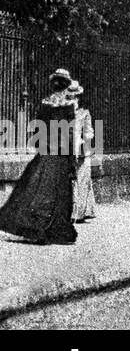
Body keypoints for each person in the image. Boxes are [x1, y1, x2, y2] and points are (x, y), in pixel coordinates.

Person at [0, 70, 78, 245]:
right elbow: (70, 134)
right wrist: (71, 158)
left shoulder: (45, 104)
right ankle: (55, 231)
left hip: (45, 154)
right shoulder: (68, 106)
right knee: (60, 195)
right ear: (66, 87)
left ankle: (35, 228)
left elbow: (37, 130)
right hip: (61, 154)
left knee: (36, 190)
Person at [68, 81, 96, 224]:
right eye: (69, 97)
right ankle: (81, 210)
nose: (72, 100)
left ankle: (79, 213)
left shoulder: (84, 113)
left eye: (74, 97)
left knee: (83, 180)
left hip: (82, 150)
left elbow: (90, 131)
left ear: (78, 98)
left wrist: (84, 139)